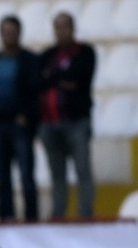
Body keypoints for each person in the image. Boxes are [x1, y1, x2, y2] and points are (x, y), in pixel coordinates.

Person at [0, 15, 41, 223]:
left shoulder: (29, 59)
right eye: (5, 31)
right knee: (1, 175)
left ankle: (31, 217)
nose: (8, 35)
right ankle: (6, 216)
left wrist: (27, 116)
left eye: (12, 31)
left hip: (19, 124)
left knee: (26, 175)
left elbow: (36, 92)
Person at [37, 12, 96, 220]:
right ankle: (58, 215)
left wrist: (54, 78)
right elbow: (38, 83)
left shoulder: (84, 52)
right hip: (49, 123)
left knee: (82, 169)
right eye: (58, 27)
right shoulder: (46, 56)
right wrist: (64, 81)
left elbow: (80, 80)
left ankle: (85, 214)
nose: (62, 31)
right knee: (57, 174)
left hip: (76, 121)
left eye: (66, 26)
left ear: (73, 28)